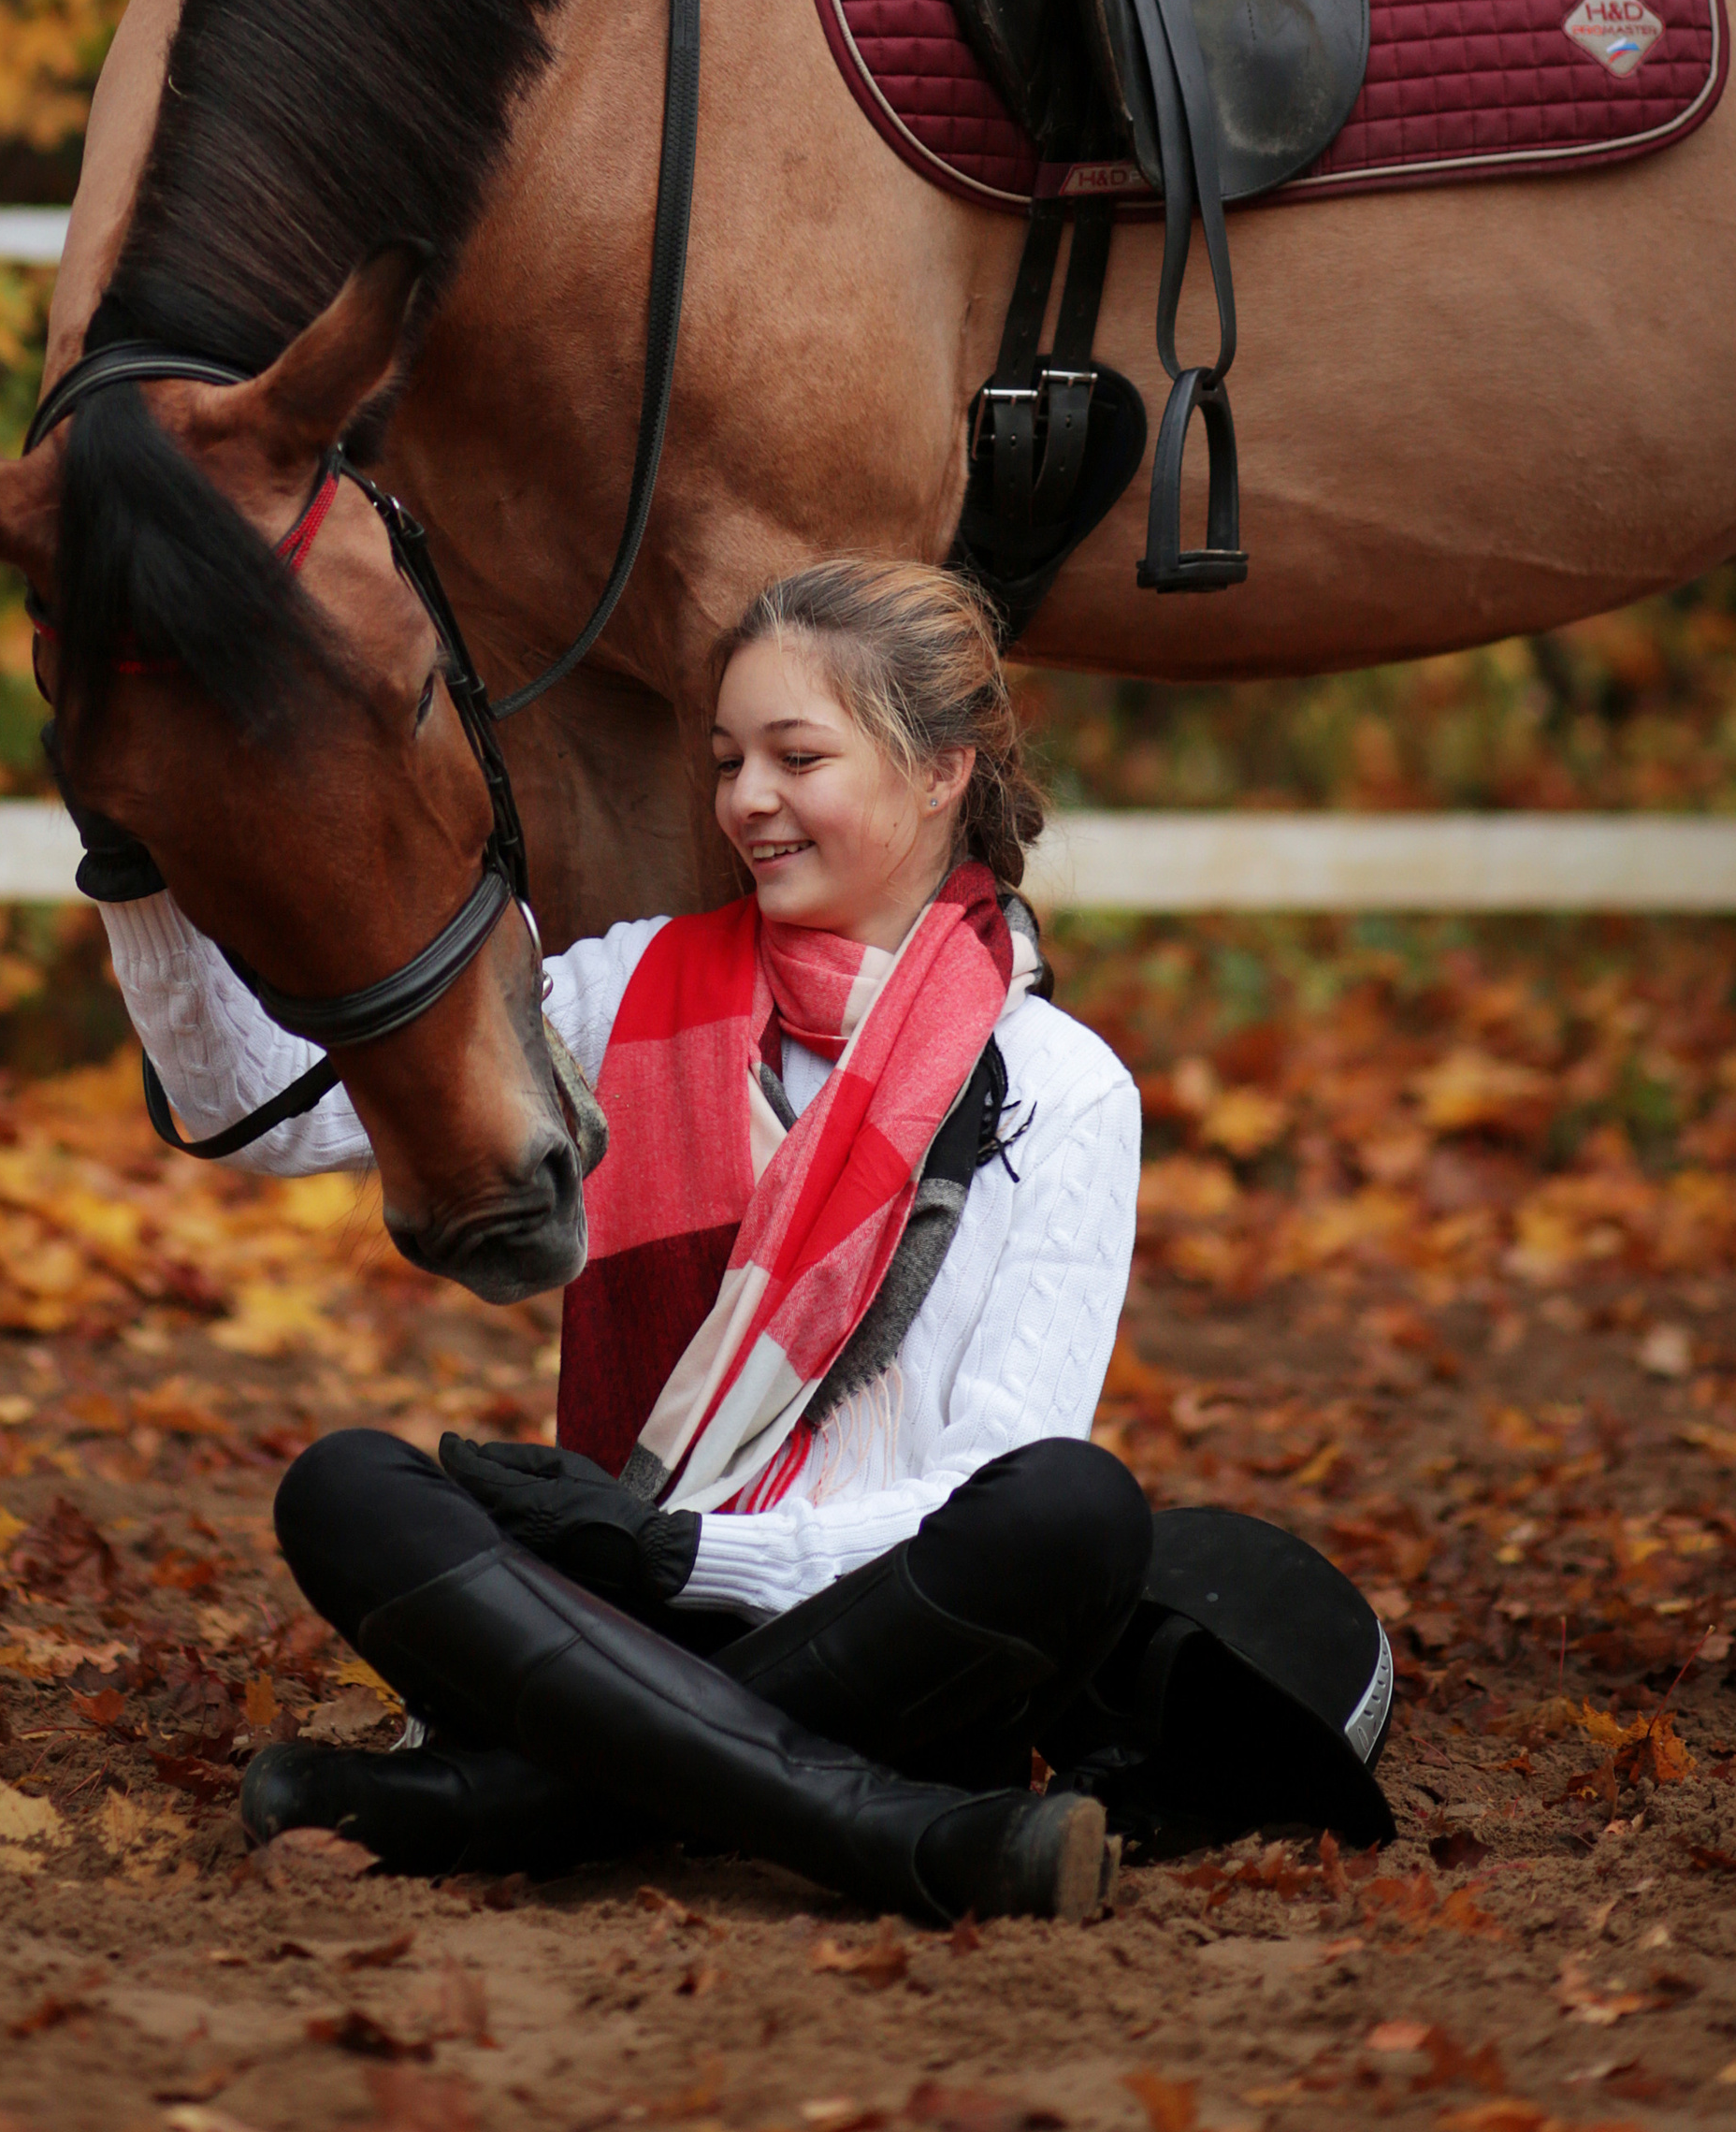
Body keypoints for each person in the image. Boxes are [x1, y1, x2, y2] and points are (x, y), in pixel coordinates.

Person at [101, 557, 1150, 1923]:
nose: (746, 801)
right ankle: (903, 1837)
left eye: (796, 755)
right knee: (347, 1487)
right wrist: (137, 872)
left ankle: (489, 1806)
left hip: (880, 1645)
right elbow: (267, 1119)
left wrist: (685, 1554)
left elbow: (985, 1481)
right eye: (726, 760)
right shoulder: (624, 988)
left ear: (943, 769)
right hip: (608, 1621)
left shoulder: (1066, 1086)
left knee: (1074, 1507)